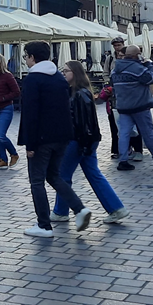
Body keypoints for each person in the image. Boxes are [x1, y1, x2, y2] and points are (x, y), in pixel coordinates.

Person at [17, 41, 92, 238]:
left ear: (32, 57)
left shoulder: (33, 80)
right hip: (62, 136)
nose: (25, 60)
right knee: (54, 176)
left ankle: (44, 225)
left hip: (41, 138)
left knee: (37, 180)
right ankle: (79, 208)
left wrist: (30, 143)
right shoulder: (58, 77)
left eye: (26, 56)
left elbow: (30, 114)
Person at [51, 61, 130, 224]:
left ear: (76, 73)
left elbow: (83, 123)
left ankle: (60, 211)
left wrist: (83, 143)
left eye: (67, 71)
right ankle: (116, 208)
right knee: (93, 174)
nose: (64, 73)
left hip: (78, 139)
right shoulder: (78, 92)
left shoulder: (79, 94)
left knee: (63, 175)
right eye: (63, 70)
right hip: (86, 140)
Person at [110, 45, 153, 171]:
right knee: (147, 133)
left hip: (123, 106)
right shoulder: (137, 69)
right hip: (140, 106)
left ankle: (123, 160)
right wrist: (149, 64)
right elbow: (152, 78)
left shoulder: (115, 70)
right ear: (136, 55)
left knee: (123, 133)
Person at [102, 39, 145, 161]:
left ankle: (137, 149)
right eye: (115, 46)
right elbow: (106, 72)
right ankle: (119, 150)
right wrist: (108, 83)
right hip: (115, 95)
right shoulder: (110, 58)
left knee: (133, 124)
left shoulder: (131, 59)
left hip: (131, 96)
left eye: (119, 45)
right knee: (116, 124)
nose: (117, 48)